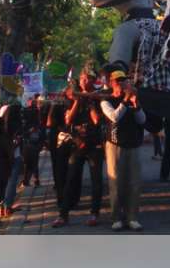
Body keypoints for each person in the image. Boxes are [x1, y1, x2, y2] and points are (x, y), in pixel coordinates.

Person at [53, 67, 105, 228]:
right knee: (71, 178)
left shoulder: (97, 97)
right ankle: (63, 214)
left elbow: (96, 120)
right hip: (77, 143)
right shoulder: (72, 96)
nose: (86, 81)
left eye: (89, 78)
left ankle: (94, 213)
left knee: (97, 179)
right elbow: (68, 120)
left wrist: (90, 102)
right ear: (80, 78)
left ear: (93, 80)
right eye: (83, 78)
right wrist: (77, 101)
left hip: (94, 143)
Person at [100, 68, 145, 231]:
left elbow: (142, 120)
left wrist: (136, 104)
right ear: (112, 83)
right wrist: (126, 100)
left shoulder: (132, 100)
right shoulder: (106, 101)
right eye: (118, 81)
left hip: (133, 144)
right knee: (116, 182)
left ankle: (132, 216)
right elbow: (114, 117)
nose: (121, 84)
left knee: (134, 183)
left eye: (123, 80)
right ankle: (116, 217)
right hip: (115, 144)